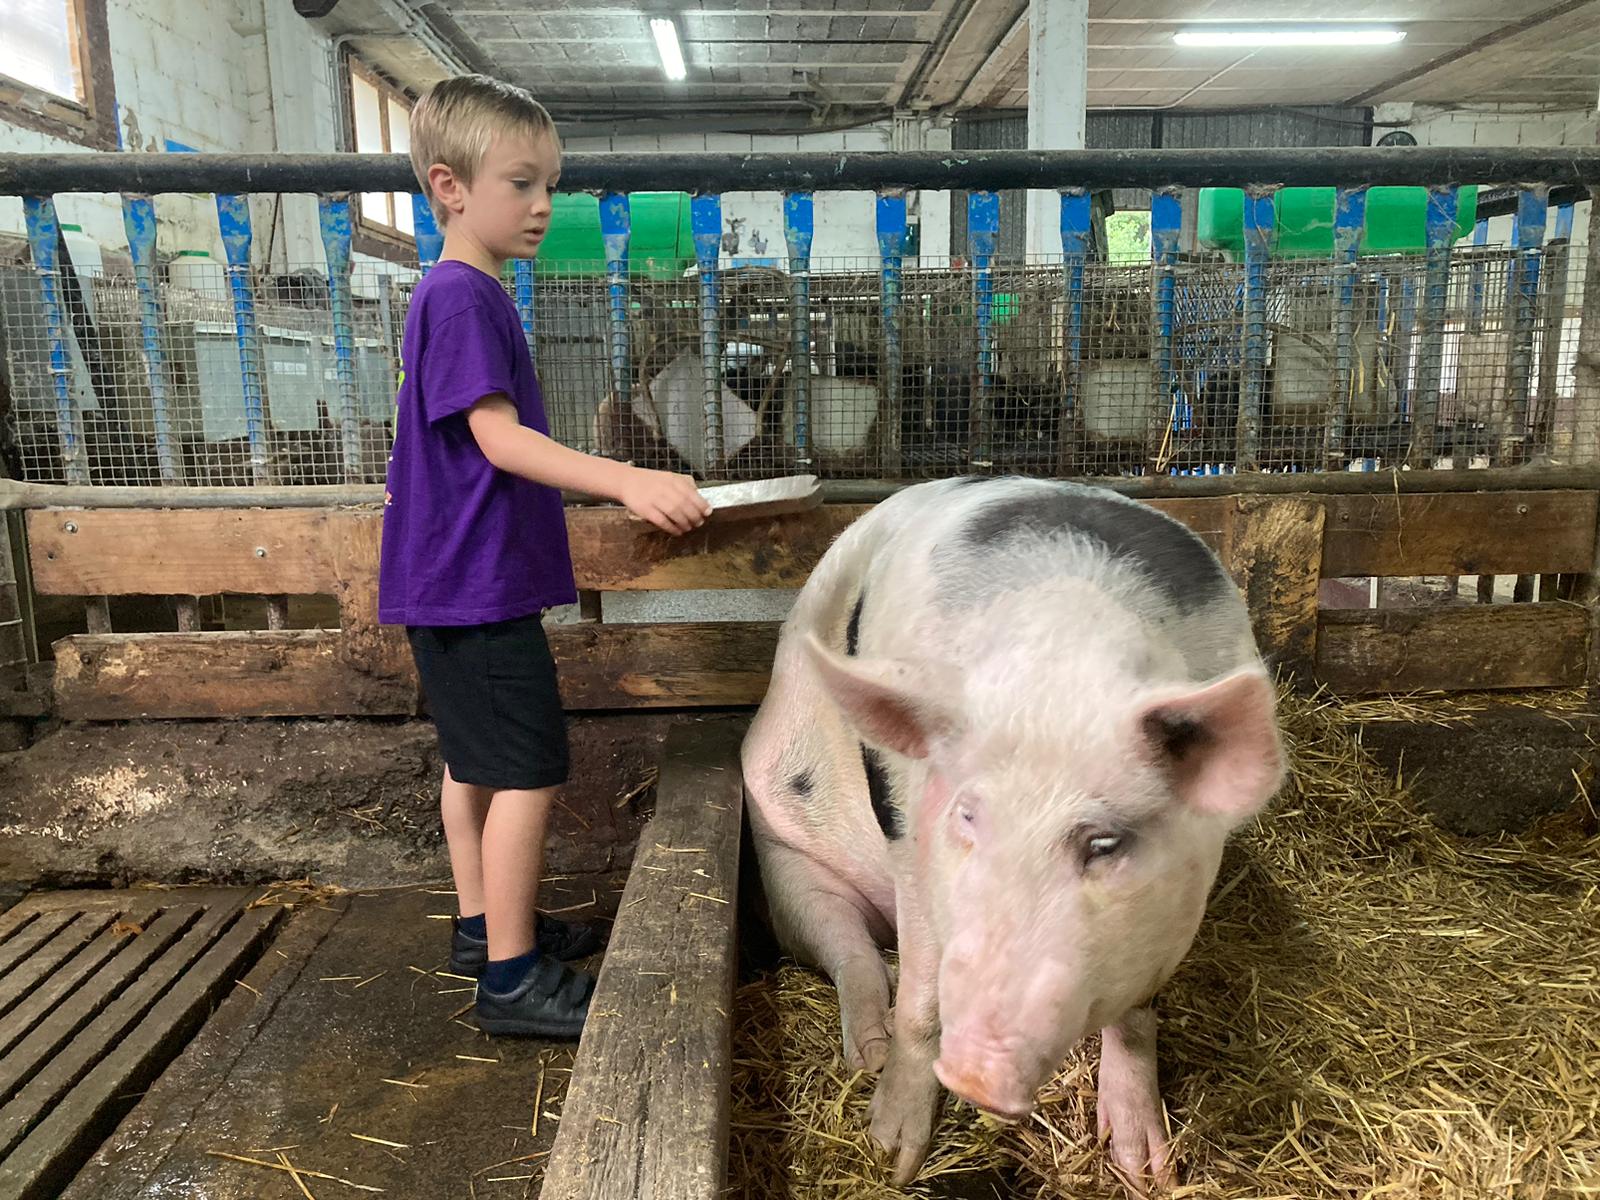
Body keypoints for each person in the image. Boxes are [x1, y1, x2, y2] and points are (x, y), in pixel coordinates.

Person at [379, 74, 711, 1038]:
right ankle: (513, 982)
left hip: (450, 583)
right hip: (475, 588)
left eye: (550, 186)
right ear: (449, 187)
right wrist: (626, 478)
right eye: (521, 183)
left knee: (473, 764)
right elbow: (498, 439)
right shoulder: (463, 297)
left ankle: (484, 928)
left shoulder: (457, 292)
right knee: (527, 770)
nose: (542, 206)